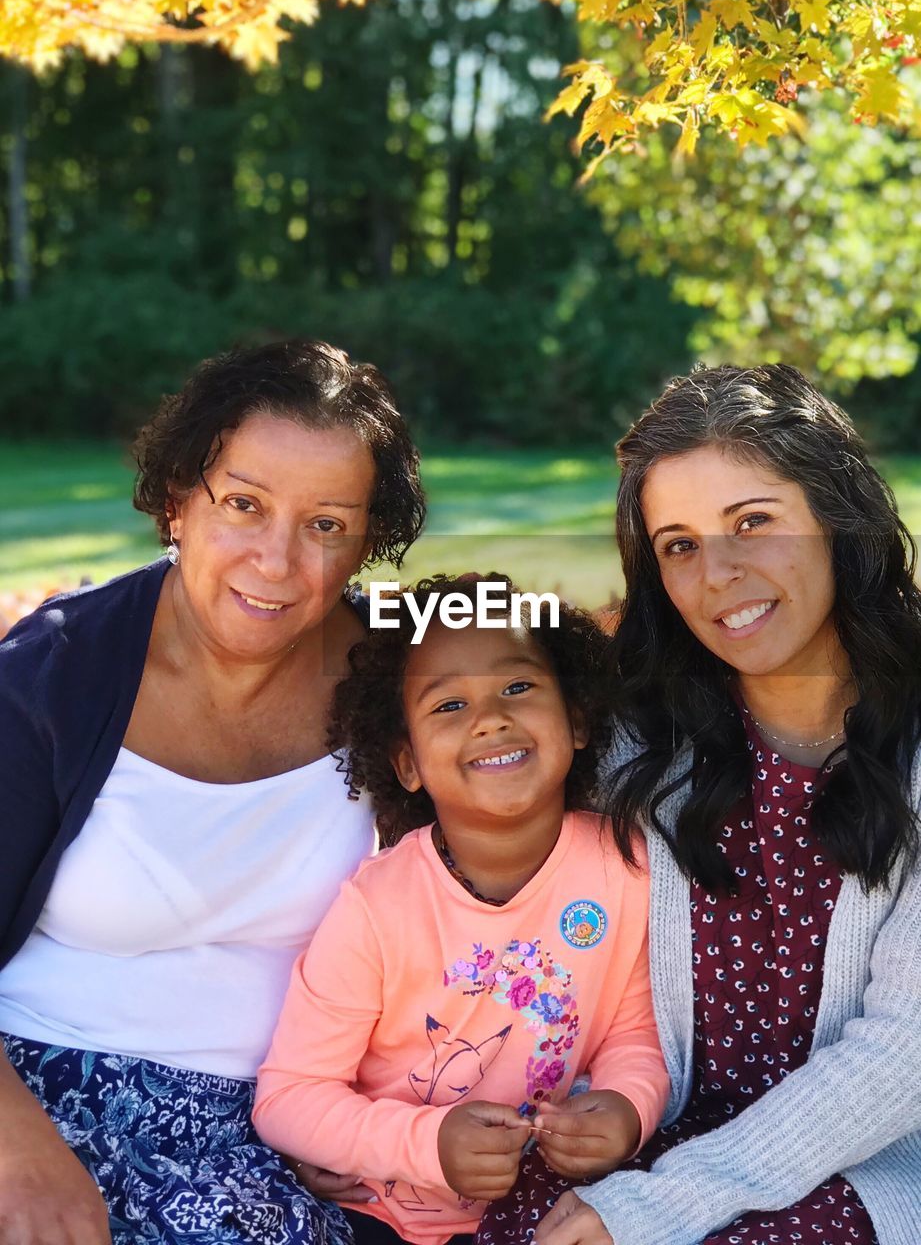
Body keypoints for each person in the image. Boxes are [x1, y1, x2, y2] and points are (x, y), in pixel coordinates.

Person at [480, 364, 921, 1245]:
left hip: (863, 1162)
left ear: (837, 517)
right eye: (677, 544)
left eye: (752, 523)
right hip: (649, 1130)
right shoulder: (637, 736)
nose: (716, 574)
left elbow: (900, 1059)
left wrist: (660, 1205)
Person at [0, 339, 426, 1245]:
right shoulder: (49, 679)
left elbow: (551, 639)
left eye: (325, 525)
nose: (275, 560)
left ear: (363, 545)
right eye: (243, 504)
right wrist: (20, 1153)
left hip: (296, 1125)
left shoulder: (405, 662)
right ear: (175, 501)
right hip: (39, 1095)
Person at [252, 576, 671, 1245]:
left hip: (558, 1213)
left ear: (578, 720)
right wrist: (427, 1143)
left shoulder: (626, 870)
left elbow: (635, 1035)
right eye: (448, 704)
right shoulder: (376, 908)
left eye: (516, 688)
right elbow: (289, 1098)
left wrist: (625, 1108)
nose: (489, 718)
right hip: (384, 1218)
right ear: (407, 762)